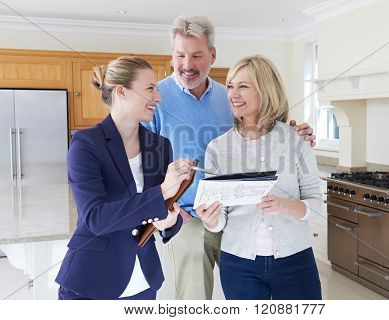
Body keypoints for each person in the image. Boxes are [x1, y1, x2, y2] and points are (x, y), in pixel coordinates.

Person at [142, 15, 317, 300]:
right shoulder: (156, 98)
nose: (187, 65)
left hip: (239, 217)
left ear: (212, 55)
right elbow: (143, 166)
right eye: (180, 55)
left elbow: (269, 133)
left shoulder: (229, 96)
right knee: (195, 301)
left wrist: (299, 133)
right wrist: (171, 209)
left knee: (242, 296)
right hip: (188, 218)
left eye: (197, 55)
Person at [56, 56, 192, 300]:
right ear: (122, 91)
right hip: (90, 283)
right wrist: (161, 192)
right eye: (150, 89)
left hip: (144, 283)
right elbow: (96, 218)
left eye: (157, 90)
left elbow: (164, 209)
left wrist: (170, 221)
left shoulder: (160, 146)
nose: (158, 98)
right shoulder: (86, 145)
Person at [196, 55, 322, 300]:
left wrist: (284, 205)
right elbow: (219, 220)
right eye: (230, 86)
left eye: (243, 86)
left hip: (296, 261)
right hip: (239, 265)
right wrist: (210, 220)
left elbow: (316, 206)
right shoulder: (217, 149)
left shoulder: (296, 140)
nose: (233, 94)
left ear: (265, 90)